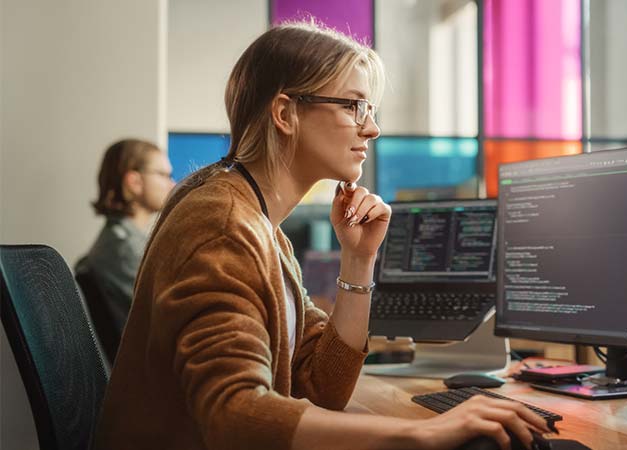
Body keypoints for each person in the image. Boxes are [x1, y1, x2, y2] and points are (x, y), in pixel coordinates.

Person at [93, 22, 549, 450]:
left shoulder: (259, 221)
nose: (371, 128)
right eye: (353, 106)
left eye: (369, 109)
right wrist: (418, 435)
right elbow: (232, 413)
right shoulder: (223, 222)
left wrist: (358, 260)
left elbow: (322, 385)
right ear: (286, 113)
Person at [76, 138, 174, 359]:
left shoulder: (123, 241)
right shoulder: (123, 250)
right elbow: (169, 320)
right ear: (134, 181)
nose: (172, 184)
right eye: (163, 175)